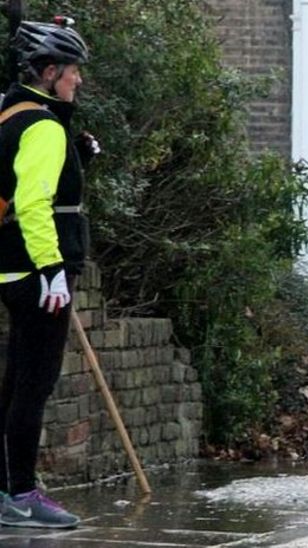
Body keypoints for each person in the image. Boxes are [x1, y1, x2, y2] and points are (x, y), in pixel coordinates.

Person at [0, 18, 98, 529]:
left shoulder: (10, 110)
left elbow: (18, 178)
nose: (78, 80)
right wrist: (53, 271)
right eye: (73, 70)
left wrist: (77, 156)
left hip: (9, 267)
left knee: (14, 383)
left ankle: (5, 490)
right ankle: (21, 495)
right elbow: (35, 204)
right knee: (33, 387)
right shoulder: (42, 124)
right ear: (50, 71)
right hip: (35, 271)